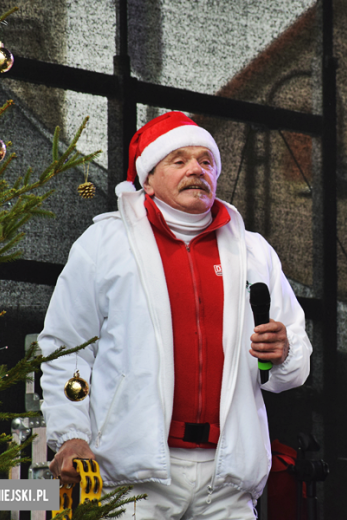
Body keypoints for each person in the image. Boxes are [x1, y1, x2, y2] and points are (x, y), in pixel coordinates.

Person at [38, 111, 312, 519]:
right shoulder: (105, 243)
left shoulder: (254, 251)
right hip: (131, 476)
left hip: (229, 479)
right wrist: (70, 435)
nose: (196, 170)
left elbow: (294, 371)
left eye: (206, 161)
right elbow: (67, 348)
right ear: (147, 178)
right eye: (178, 160)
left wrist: (284, 352)